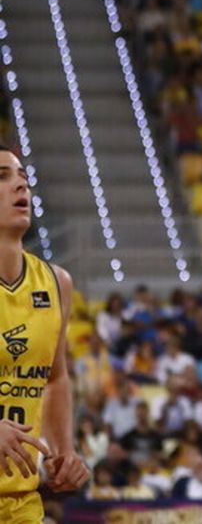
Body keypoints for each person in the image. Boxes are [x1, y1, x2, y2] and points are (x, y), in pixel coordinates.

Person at [0, 148, 91, 522]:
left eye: (22, 175)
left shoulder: (56, 283)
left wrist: (63, 451)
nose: (20, 183)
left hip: (21, 502)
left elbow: (54, 378)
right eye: (2, 176)